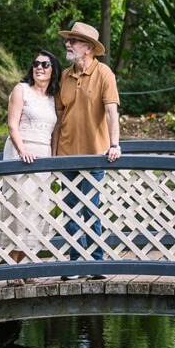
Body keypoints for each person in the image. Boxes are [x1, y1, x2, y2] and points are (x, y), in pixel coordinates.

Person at [53, 21, 121, 281]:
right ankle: (74, 264)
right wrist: (53, 151)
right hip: (67, 153)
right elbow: (59, 116)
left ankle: (96, 263)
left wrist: (114, 144)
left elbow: (112, 113)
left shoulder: (105, 74)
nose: (68, 44)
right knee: (70, 209)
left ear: (89, 47)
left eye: (74, 41)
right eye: (68, 40)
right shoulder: (65, 76)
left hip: (95, 154)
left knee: (91, 208)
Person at [1, 50, 61, 286]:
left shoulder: (52, 98)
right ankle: (12, 269)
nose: (39, 67)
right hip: (21, 155)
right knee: (18, 208)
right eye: (36, 63)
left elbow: (55, 131)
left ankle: (26, 265)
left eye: (45, 64)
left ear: (53, 70)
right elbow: (12, 125)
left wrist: (54, 157)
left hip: (43, 157)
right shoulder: (21, 90)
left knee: (37, 212)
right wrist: (22, 150)